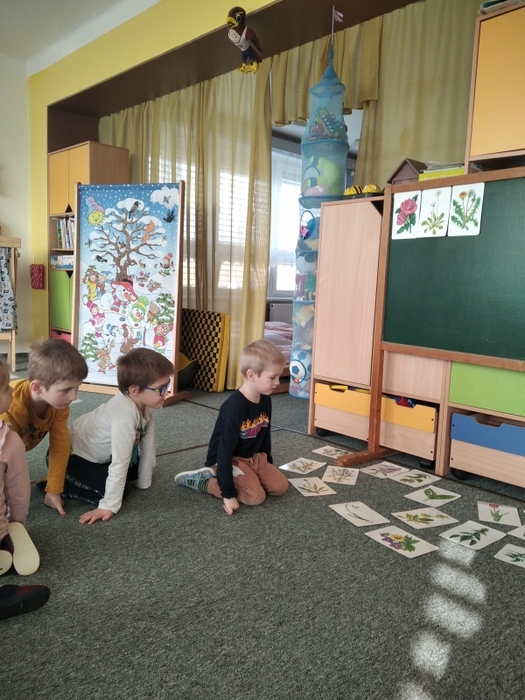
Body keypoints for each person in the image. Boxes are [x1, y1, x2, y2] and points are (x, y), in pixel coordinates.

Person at [175, 339, 289, 515]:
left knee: (280, 487)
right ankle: (206, 481)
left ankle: (248, 476)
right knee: (255, 497)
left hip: (253, 457)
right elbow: (224, 450)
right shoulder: (234, 407)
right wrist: (228, 494)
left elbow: (265, 434)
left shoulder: (266, 398)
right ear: (251, 375)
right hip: (229, 459)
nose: (278, 382)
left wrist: (267, 463)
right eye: (273, 377)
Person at [66, 347, 173, 525]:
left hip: (100, 457)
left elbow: (148, 447)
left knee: (134, 472)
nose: (166, 393)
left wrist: (143, 482)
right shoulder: (123, 415)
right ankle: (64, 484)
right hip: (71, 458)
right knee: (122, 490)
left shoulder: (147, 405)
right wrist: (109, 505)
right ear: (135, 390)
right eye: (161, 389)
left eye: (167, 385)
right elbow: (120, 462)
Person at [0, 340, 88, 517]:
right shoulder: (10, 407)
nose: (74, 396)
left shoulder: (59, 406)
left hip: (17, 448)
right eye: (66, 390)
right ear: (37, 387)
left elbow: (60, 445)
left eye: (77, 388)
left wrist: (54, 489)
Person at [0, 358, 40, 576]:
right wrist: (17, 524)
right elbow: (19, 491)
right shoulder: (9, 441)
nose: (13, 391)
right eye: (6, 387)